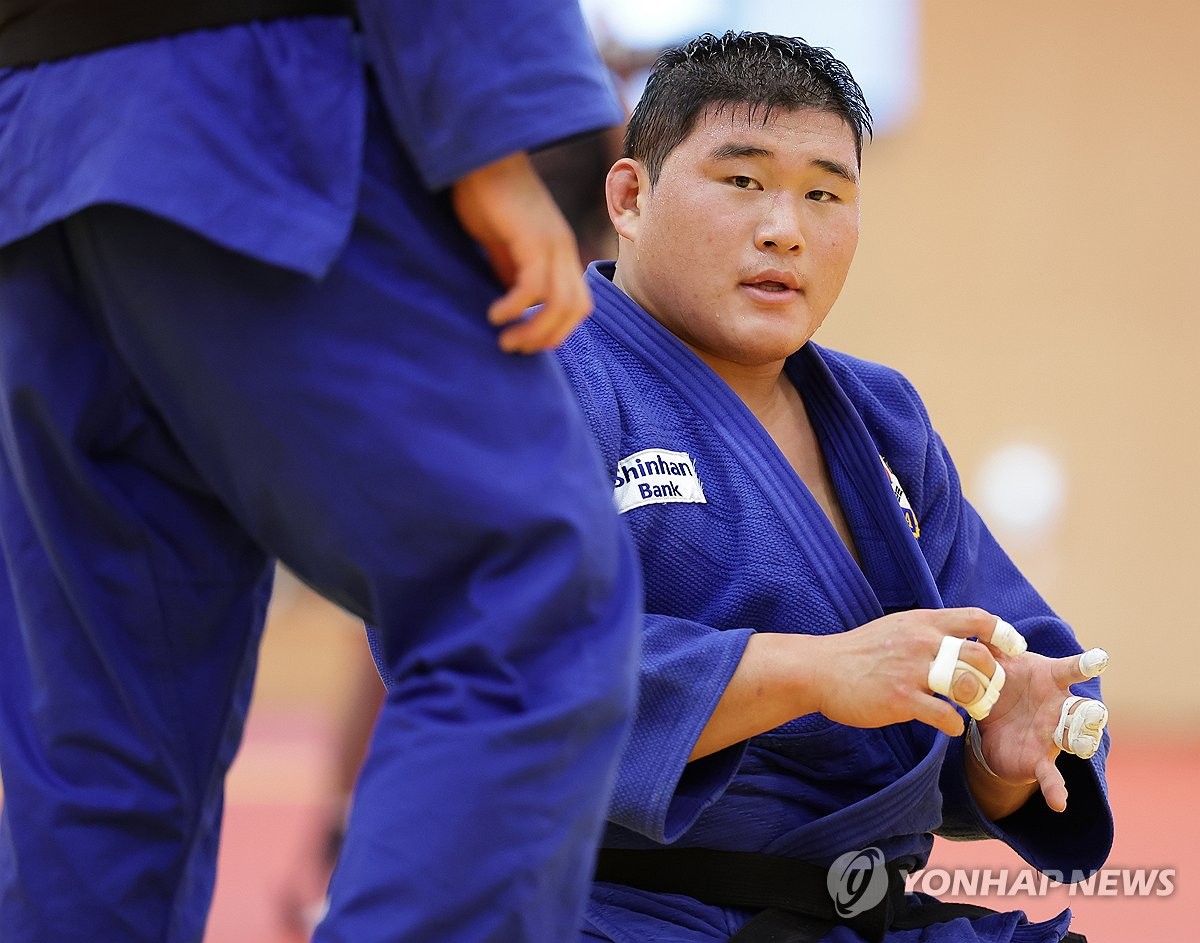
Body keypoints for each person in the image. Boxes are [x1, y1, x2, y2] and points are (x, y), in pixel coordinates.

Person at [0, 2, 642, 942]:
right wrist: (496, 119)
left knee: (102, 747)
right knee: (526, 594)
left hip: (32, 152)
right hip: (263, 104)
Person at [553, 32, 1113, 943]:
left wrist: (1002, 752)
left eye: (825, 192)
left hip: (870, 916)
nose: (786, 226)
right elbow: (504, 664)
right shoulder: (543, 382)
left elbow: (977, 688)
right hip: (613, 913)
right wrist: (816, 672)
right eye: (742, 181)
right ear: (631, 195)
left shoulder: (880, 415)